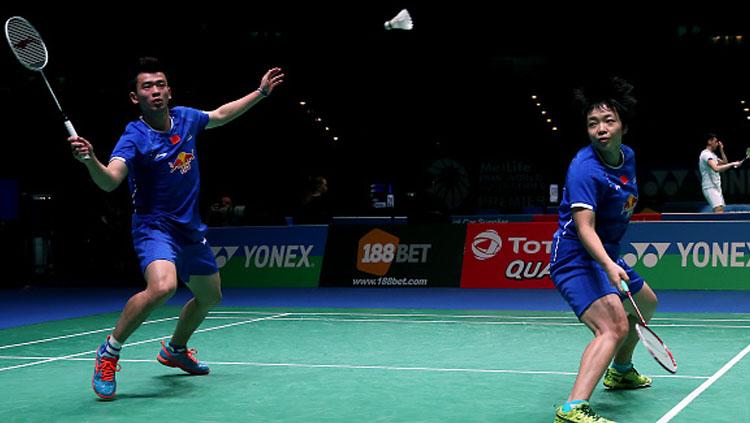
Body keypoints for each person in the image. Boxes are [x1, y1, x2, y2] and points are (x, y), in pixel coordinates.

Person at [69, 56, 284, 400]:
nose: (155, 91)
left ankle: (175, 349)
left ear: (168, 90)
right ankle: (108, 352)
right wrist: (89, 161)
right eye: (146, 87)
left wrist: (259, 92)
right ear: (134, 97)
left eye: (159, 84)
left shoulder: (185, 118)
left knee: (210, 296)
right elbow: (110, 181)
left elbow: (221, 114)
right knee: (163, 287)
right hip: (154, 227)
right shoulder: (134, 136)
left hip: (189, 228)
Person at [550, 77, 658, 423]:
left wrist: (611, 261)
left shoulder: (628, 156)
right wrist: (610, 266)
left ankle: (621, 371)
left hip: (605, 253)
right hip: (575, 258)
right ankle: (572, 407)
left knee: (646, 302)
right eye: (593, 123)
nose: (600, 129)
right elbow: (584, 229)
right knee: (613, 327)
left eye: (608, 121)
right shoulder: (584, 169)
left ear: (623, 125)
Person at [698, 133, 743, 213]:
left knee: (720, 210)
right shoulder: (706, 154)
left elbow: (725, 162)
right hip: (710, 187)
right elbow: (716, 168)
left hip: (716, 187)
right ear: (709, 141)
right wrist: (733, 163)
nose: (717, 144)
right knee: (719, 210)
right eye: (715, 141)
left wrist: (721, 150)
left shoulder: (713, 155)